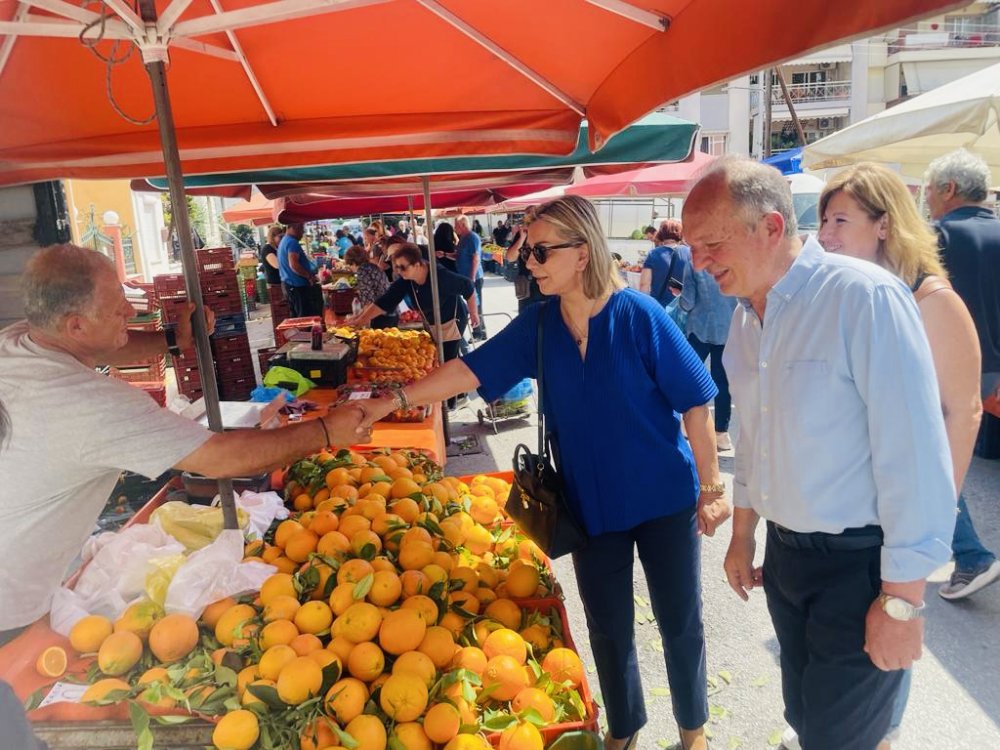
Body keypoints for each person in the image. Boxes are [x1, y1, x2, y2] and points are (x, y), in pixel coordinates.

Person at [354, 196, 731, 750]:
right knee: (608, 628)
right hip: (589, 505)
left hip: (664, 500)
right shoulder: (538, 326)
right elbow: (466, 370)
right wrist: (392, 400)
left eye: (539, 251)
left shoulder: (640, 316)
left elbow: (697, 403)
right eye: (527, 251)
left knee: (680, 623)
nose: (526, 261)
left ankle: (693, 733)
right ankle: (625, 730)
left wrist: (713, 487)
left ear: (583, 253)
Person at [683, 157, 956, 750]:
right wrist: (743, 535)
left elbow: (913, 458)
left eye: (710, 244)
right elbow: (754, 443)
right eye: (692, 247)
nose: (698, 263)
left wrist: (904, 603)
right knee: (808, 721)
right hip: (787, 561)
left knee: (841, 738)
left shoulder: (864, 297)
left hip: (858, 568)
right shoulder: (744, 320)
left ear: (772, 228)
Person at [0, 245, 369, 641]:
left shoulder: (21, 340)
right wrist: (327, 432)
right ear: (75, 326)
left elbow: (107, 341)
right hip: (11, 605)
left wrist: (173, 340)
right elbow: (221, 459)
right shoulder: (81, 402)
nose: (129, 311)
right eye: (117, 306)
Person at [813, 162, 982, 749]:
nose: (826, 235)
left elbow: (963, 412)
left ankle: (880, 735)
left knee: (893, 630)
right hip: (857, 505)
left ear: (885, 225)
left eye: (841, 220)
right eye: (823, 221)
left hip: (903, 509)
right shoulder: (849, 293)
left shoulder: (931, 299)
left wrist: (937, 509)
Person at [925, 148, 1000, 599]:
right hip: (993, 371)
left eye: (930, 192)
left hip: (950, 368)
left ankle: (971, 556)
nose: (928, 200)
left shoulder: (938, 239)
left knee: (933, 460)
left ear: (950, 190)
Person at [345, 242, 479, 368]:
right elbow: (386, 301)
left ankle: (454, 391)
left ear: (417, 264)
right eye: (396, 267)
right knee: (439, 359)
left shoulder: (440, 276)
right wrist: (361, 319)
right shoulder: (406, 280)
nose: (398, 271)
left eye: (403, 267)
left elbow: (468, 287)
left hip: (452, 321)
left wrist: (474, 314)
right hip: (433, 323)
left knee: (447, 362)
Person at [671, 225, 738, 453]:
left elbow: (688, 301)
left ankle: (685, 424)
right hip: (729, 329)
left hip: (699, 329)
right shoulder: (733, 261)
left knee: (687, 375)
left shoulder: (695, 264)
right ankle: (722, 434)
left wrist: (678, 300)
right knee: (722, 382)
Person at [506, 209, 553, 313]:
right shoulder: (522, 235)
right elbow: (510, 257)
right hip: (527, 285)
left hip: (546, 282)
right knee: (526, 316)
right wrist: (522, 238)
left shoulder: (548, 233)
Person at [343, 244, 396, 329]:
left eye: (349, 265)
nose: (350, 269)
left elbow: (368, 302)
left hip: (381, 315)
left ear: (353, 262)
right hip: (392, 312)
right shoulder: (373, 267)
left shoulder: (362, 272)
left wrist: (358, 321)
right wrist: (357, 316)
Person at [278, 223, 322, 318]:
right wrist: (309, 276)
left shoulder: (285, 241)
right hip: (297, 287)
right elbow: (294, 265)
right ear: (295, 227)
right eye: (302, 230)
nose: (302, 234)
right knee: (304, 318)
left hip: (290, 285)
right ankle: (304, 333)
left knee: (298, 317)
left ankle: (301, 332)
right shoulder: (292, 242)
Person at [456, 215, 486, 340]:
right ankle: (480, 331)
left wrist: (472, 276)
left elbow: (476, 258)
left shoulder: (472, 237)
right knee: (472, 304)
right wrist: (445, 254)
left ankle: (478, 332)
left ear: (463, 225)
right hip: (466, 278)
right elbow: (459, 255)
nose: (455, 228)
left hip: (473, 278)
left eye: (456, 225)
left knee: (475, 304)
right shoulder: (462, 238)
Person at [640, 220, 683, 306]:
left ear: (661, 234)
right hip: (682, 307)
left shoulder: (653, 254)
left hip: (659, 307)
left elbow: (644, 284)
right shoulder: (690, 253)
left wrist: (644, 306)